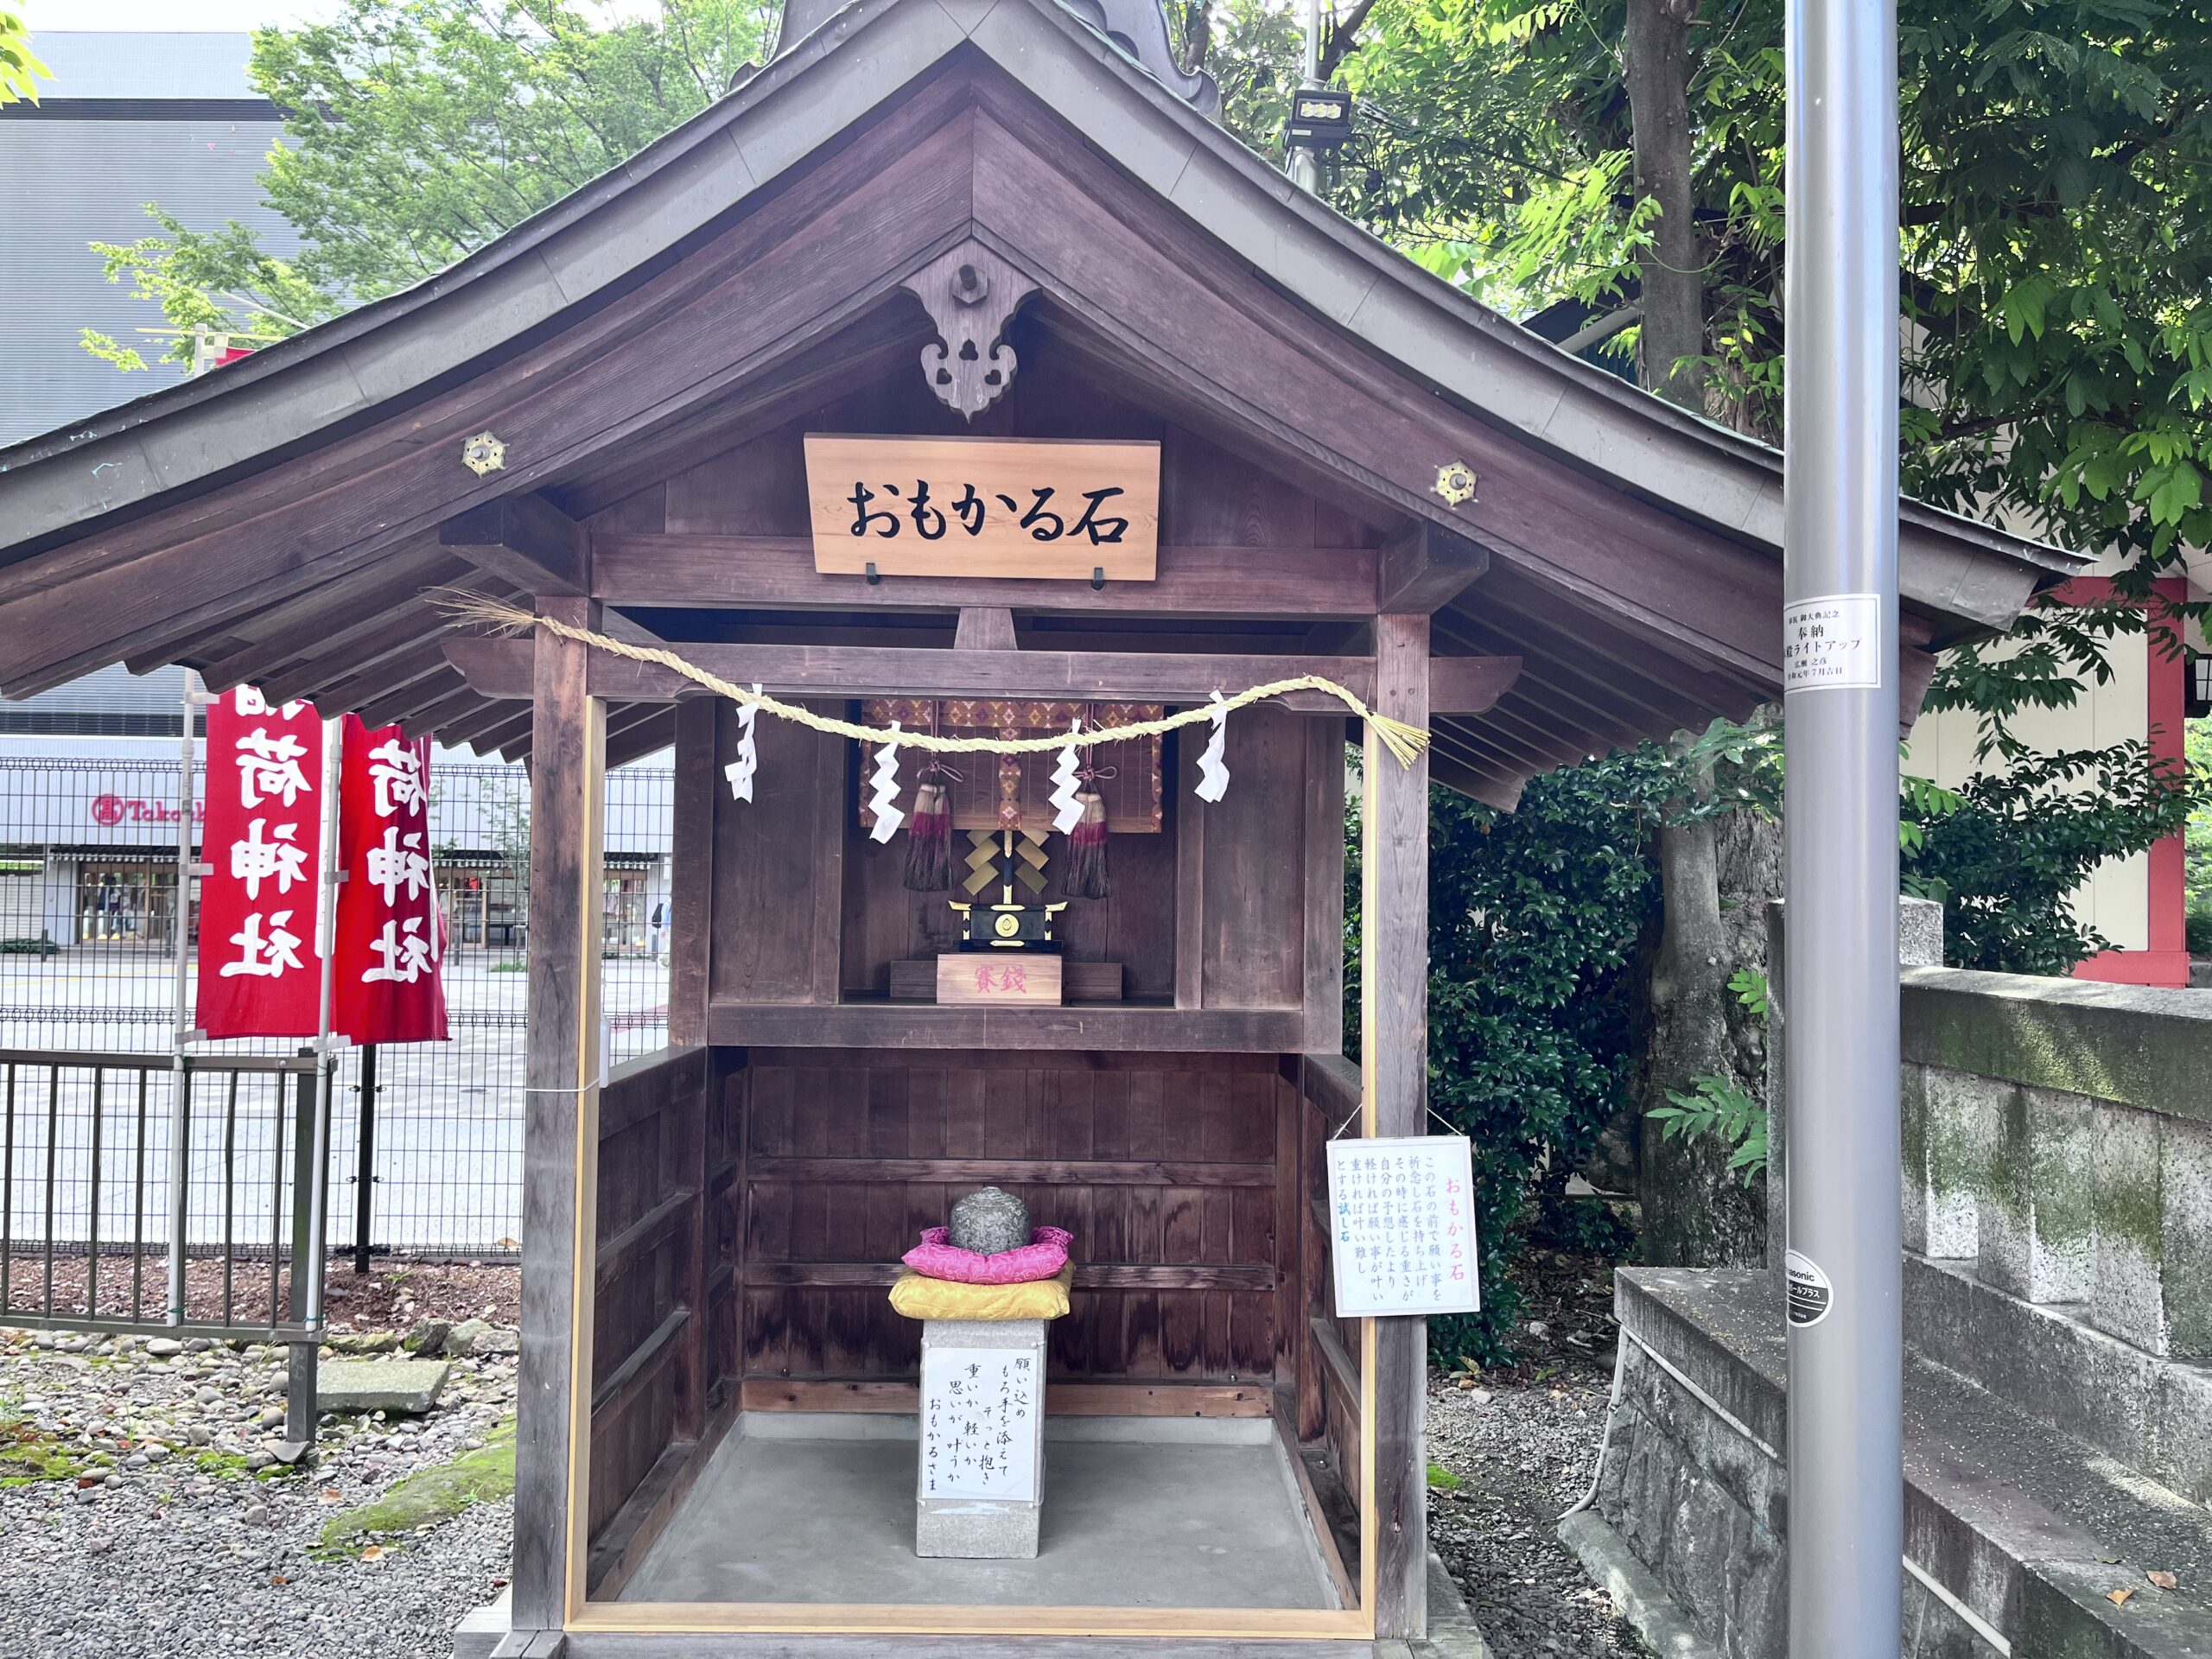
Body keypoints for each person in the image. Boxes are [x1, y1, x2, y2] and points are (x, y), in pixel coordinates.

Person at [649, 899, 668, 964]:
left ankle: (664, 961)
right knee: (669, 947)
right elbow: (664, 918)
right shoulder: (668, 904)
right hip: (669, 928)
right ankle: (661, 960)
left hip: (670, 928)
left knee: (669, 946)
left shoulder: (669, 904)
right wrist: (664, 929)